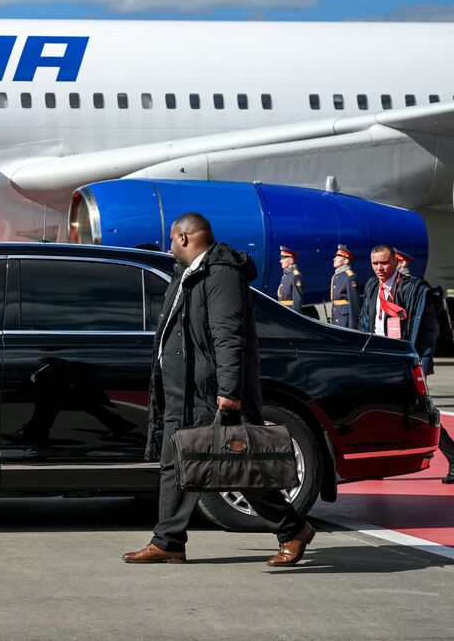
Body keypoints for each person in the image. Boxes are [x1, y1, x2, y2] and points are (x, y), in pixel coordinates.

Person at [123, 213, 314, 566]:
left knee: (239, 466)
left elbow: (228, 335)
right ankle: (168, 541)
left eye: (171, 240)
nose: (169, 247)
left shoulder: (221, 274)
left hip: (210, 392)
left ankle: (293, 529)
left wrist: (229, 390)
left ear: (184, 238)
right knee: (175, 464)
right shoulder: (187, 273)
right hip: (182, 390)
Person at [360, 244, 454, 483]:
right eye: (375, 263)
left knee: (420, 413)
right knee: (377, 412)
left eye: (384, 263)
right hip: (379, 360)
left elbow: (428, 331)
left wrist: (423, 363)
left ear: (396, 262)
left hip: (403, 361)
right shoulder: (372, 287)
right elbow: (365, 322)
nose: (379, 268)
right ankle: (378, 463)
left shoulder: (414, 289)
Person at [328, 245, 360, 328]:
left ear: (346, 261)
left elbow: (354, 303)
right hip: (337, 315)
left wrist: (352, 325)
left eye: (338, 257)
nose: (334, 259)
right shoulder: (336, 275)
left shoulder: (350, 276)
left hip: (345, 318)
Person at [276, 245, 303, 310]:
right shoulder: (285, 276)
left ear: (291, 260)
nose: (280, 261)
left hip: (289, 311)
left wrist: (295, 314)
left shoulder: (295, 275)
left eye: (283, 258)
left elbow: (297, 299)